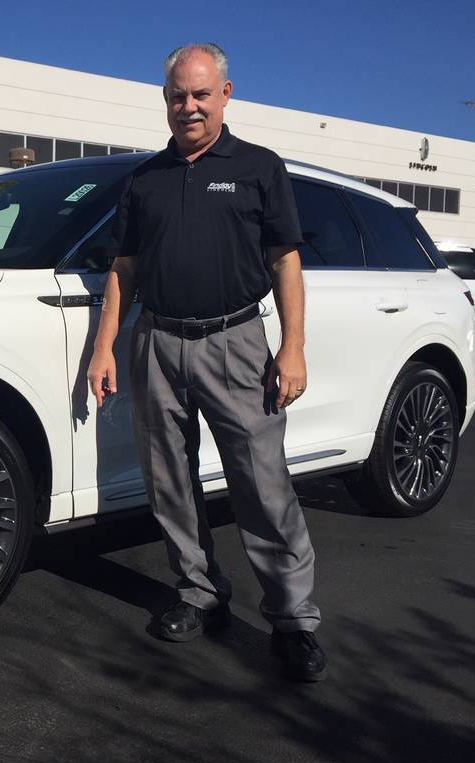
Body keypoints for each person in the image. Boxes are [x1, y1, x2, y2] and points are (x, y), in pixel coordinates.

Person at [87, 43, 326, 682]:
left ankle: (294, 619)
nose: (187, 107)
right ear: (165, 99)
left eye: (199, 94)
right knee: (169, 478)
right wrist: (105, 344)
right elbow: (124, 268)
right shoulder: (144, 179)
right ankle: (197, 590)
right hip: (157, 342)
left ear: (225, 94)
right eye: (176, 95)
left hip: (236, 342)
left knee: (262, 483)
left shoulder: (257, 168)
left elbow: (285, 261)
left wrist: (293, 347)